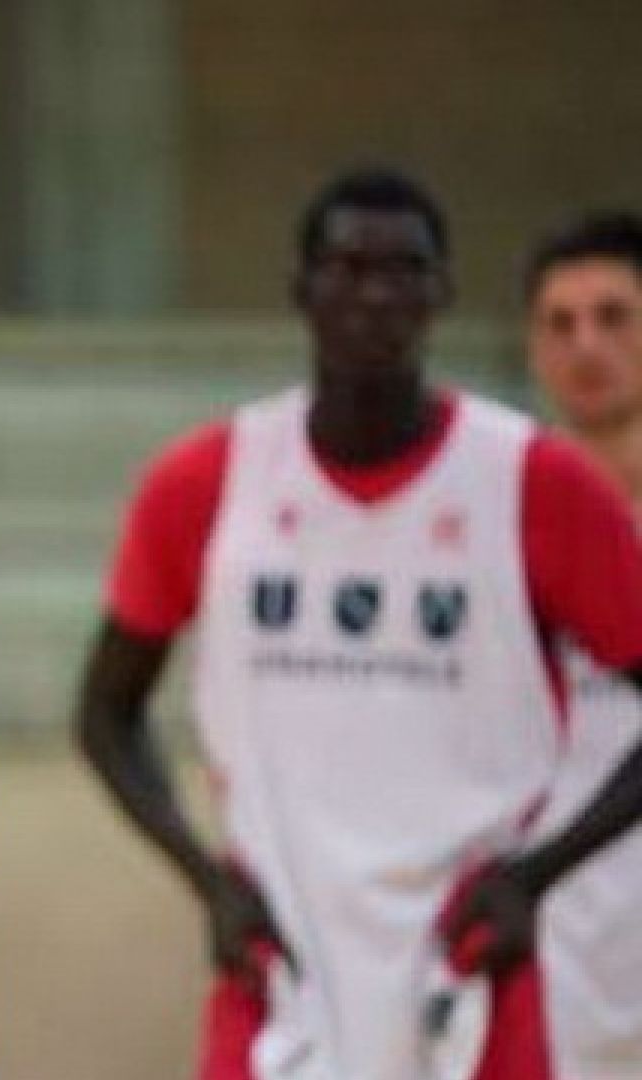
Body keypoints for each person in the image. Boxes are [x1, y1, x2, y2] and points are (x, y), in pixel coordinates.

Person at [75, 167, 642, 1080]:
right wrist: (207, 880)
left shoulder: (536, 483)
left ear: (441, 291)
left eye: (401, 270)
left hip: (471, 968)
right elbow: (105, 712)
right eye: (347, 269)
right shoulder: (206, 482)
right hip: (280, 972)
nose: (374, 295)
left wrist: (533, 877)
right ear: (302, 290)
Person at [524, 210, 642, 1079]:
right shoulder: (493, 516)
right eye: (560, 324)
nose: (586, 345)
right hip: (543, 944)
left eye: (613, 317)